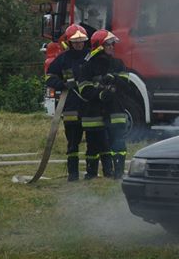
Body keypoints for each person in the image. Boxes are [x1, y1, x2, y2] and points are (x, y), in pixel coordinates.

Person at [78, 30, 129, 179]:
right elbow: (84, 90)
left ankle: (118, 173)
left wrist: (114, 79)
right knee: (93, 145)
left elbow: (126, 85)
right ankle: (91, 174)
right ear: (99, 46)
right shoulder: (88, 66)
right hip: (94, 112)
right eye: (108, 44)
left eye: (113, 44)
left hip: (115, 110)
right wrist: (100, 94)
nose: (112, 47)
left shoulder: (118, 64)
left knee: (118, 143)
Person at [44, 24, 90, 181]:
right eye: (75, 42)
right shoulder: (63, 59)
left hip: (89, 106)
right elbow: (49, 77)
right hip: (71, 105)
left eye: (81, 41)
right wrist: (62, 85)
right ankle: (73, 174)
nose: (79, 44)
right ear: (70, 42)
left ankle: (91, 174)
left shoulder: (90, 57)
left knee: (93, 142)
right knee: (72, 143)